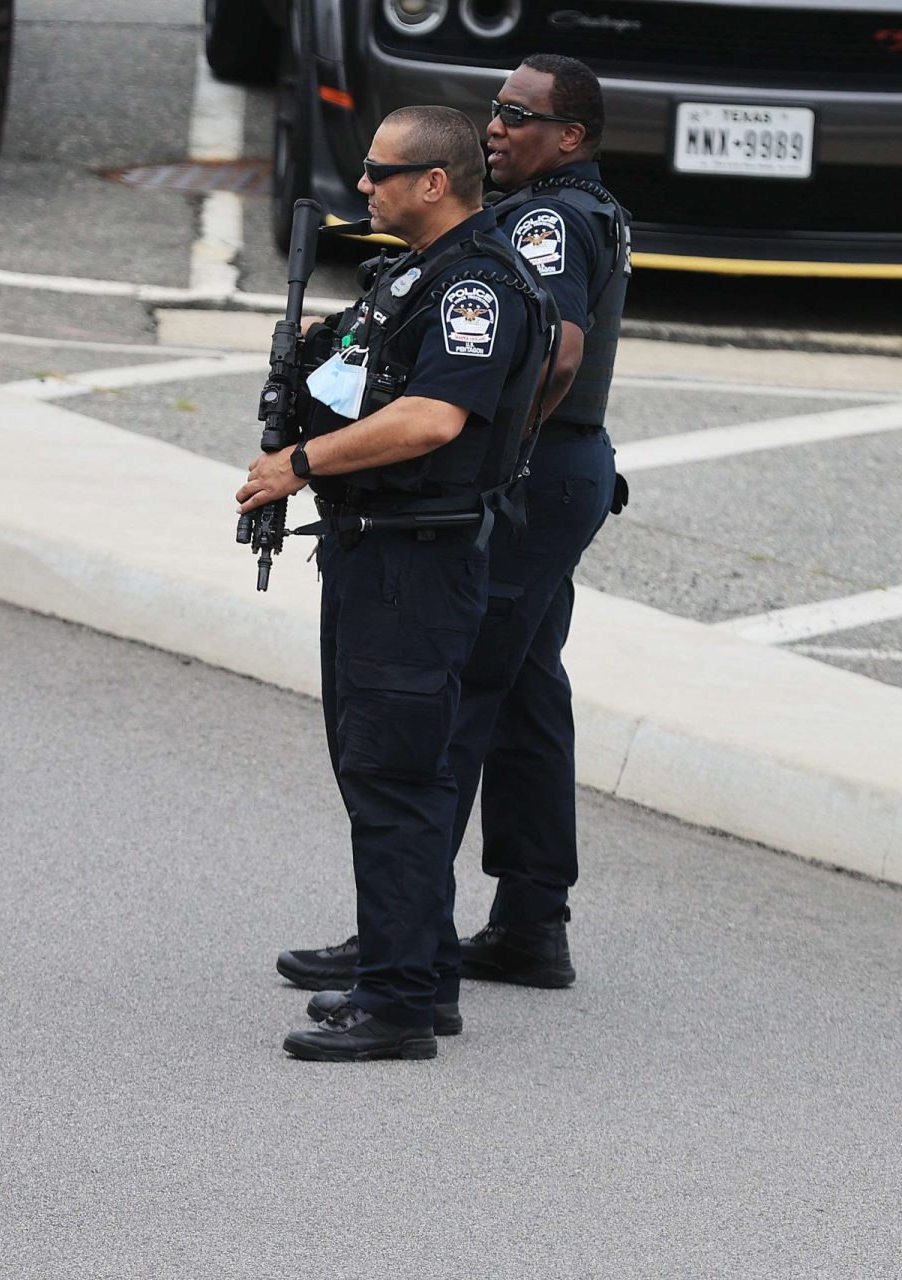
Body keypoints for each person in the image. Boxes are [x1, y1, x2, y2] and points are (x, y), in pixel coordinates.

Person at [278, 57, 630, 1009]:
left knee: (442, 699)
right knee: (520, 691)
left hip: (533, 476)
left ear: (572, 138)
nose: (496, 127)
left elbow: (558, 346)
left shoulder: (549, 218)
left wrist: (493, 454)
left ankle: (411, 942)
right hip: (559, 473)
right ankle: (526, 920)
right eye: (495, 111)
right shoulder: (564, 208)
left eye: (521, 116)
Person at [237, 106, 556, 1061]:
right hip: (377, 551)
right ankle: (414, 970)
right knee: (380, 767)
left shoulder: (478, 287)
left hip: (417, 560)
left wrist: (301, 459)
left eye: (382, 171)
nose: (364, 185)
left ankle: (399, 1004)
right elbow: (363, 381)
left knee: (397, 776)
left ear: (435, 183)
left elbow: (430, 421)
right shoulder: (415, 275)